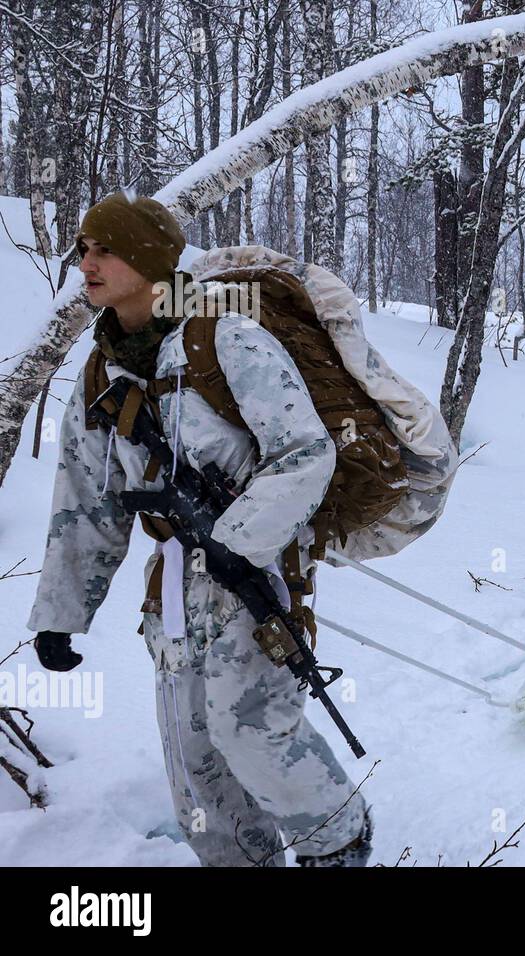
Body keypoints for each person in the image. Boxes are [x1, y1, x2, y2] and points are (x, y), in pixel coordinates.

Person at [26, 192, 371, 866]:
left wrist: (239, 542)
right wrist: (62, 614)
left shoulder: (226, 338)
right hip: (176, 584)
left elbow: (305, 453)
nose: (86, 263)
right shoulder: (102, 369)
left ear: (150, 263)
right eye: (83, 248)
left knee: (251, 733)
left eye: (105, 249)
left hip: (257, 572)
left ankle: (338, 844)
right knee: (190, 753)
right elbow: (85, 502)